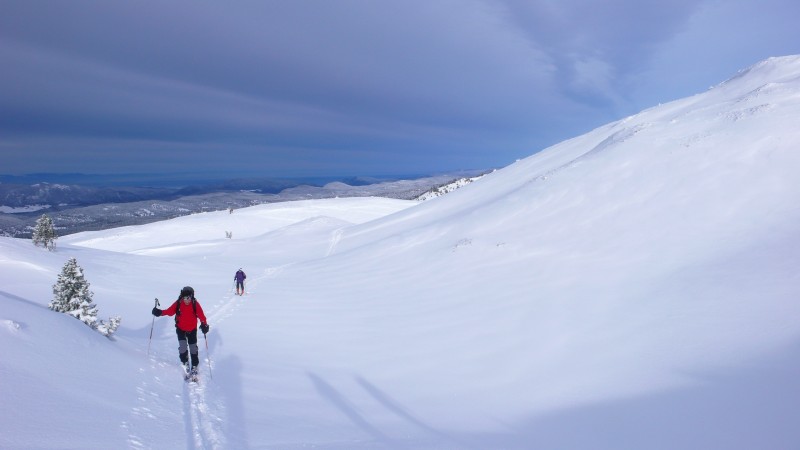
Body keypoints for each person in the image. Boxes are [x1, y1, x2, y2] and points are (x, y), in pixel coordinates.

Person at [152, 286, 210, 374]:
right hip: (181, 329)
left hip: (192, 329)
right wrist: (159, 312)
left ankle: (194, 365)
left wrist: (204, 324)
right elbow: (170, 311)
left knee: (193, 348)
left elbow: (202, 316)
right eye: (184, 298)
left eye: (188, 298)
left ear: (192, 296)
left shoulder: (195, 304)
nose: (186, 300)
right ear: (182, 297)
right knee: (183, 347)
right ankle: (185, 362)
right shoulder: (179, 303)